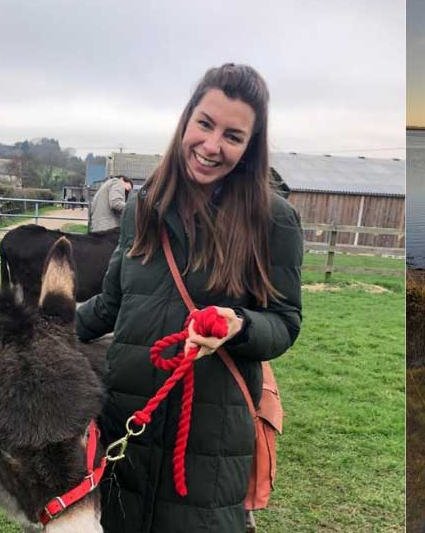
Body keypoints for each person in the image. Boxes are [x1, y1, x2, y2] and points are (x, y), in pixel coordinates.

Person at [77, 63, 303, 533]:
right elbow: (111, 306)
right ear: (186, 120)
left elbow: (284, 322)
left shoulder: (273, 220)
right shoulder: (142, 207)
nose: (212, 145)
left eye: (233, 136)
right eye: (205, 123)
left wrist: (239, 325)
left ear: (249, 147)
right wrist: (35, 327)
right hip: (127, 427)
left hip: (209, 442)